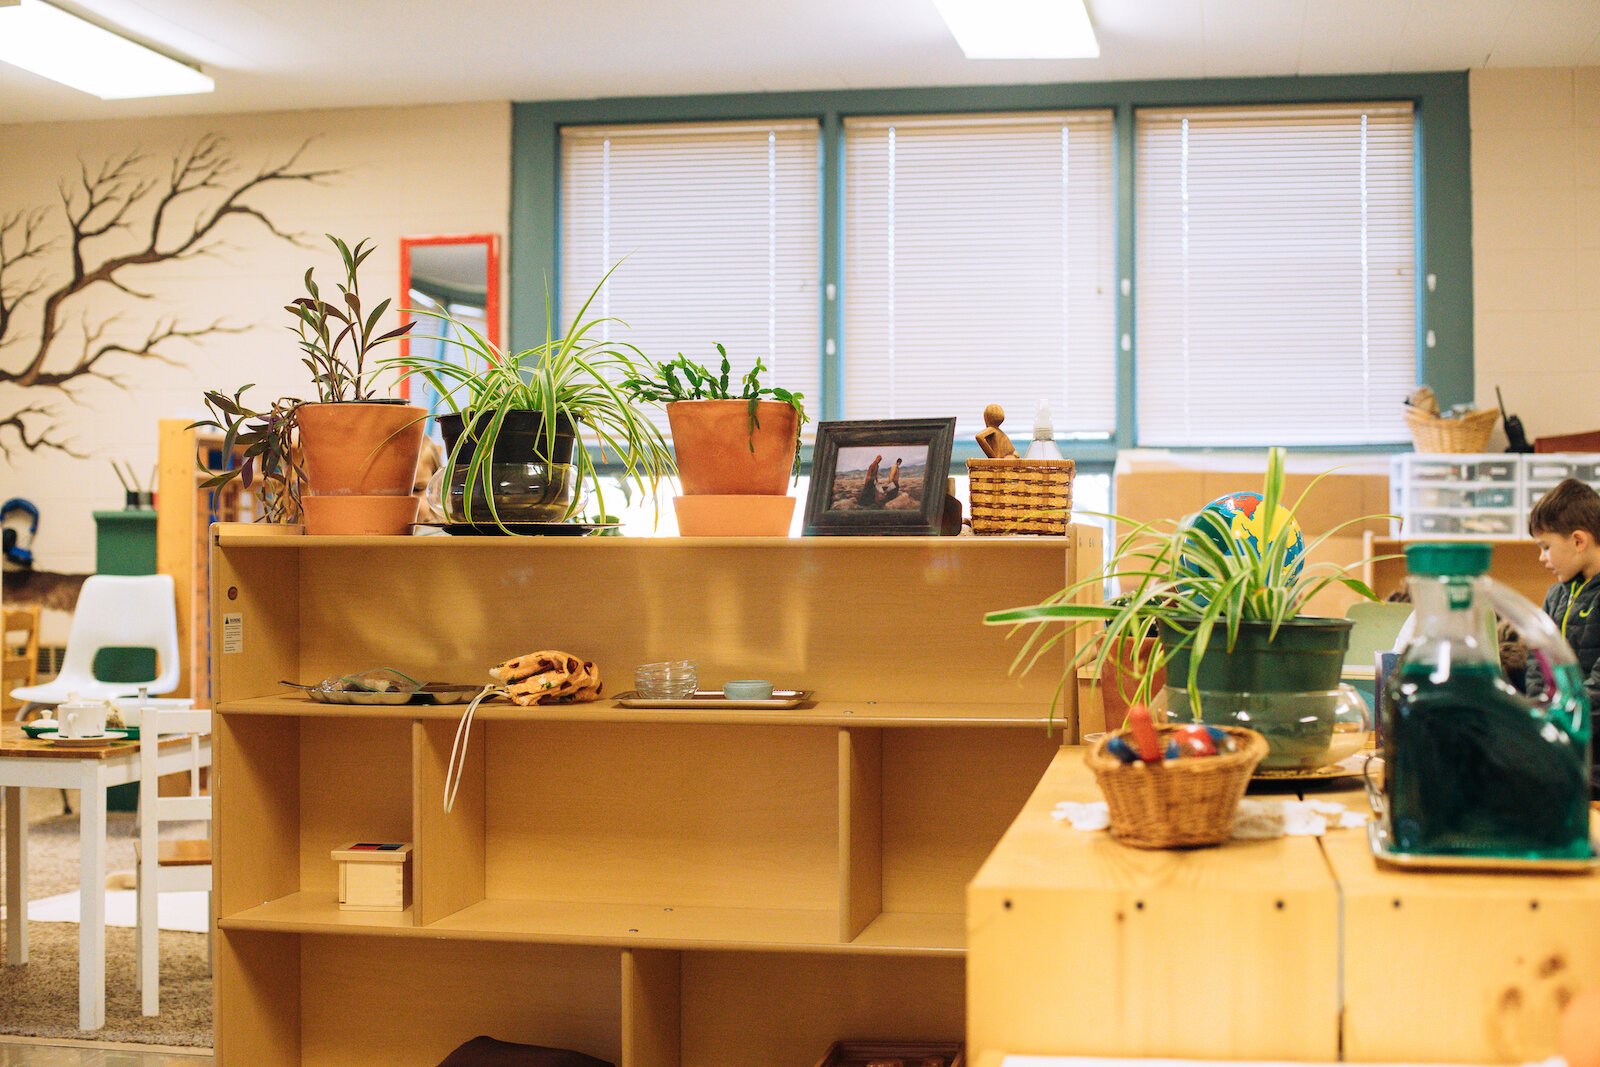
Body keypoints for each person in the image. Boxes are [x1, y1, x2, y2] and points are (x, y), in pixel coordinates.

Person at [1523, 479, 1600, 720]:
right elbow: (1538, 663)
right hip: (1559, 728)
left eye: (1546, 547)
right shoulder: (1555, 595)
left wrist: (1561, 716)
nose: (1541, 558)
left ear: (1578, 541)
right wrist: (1539, 712)